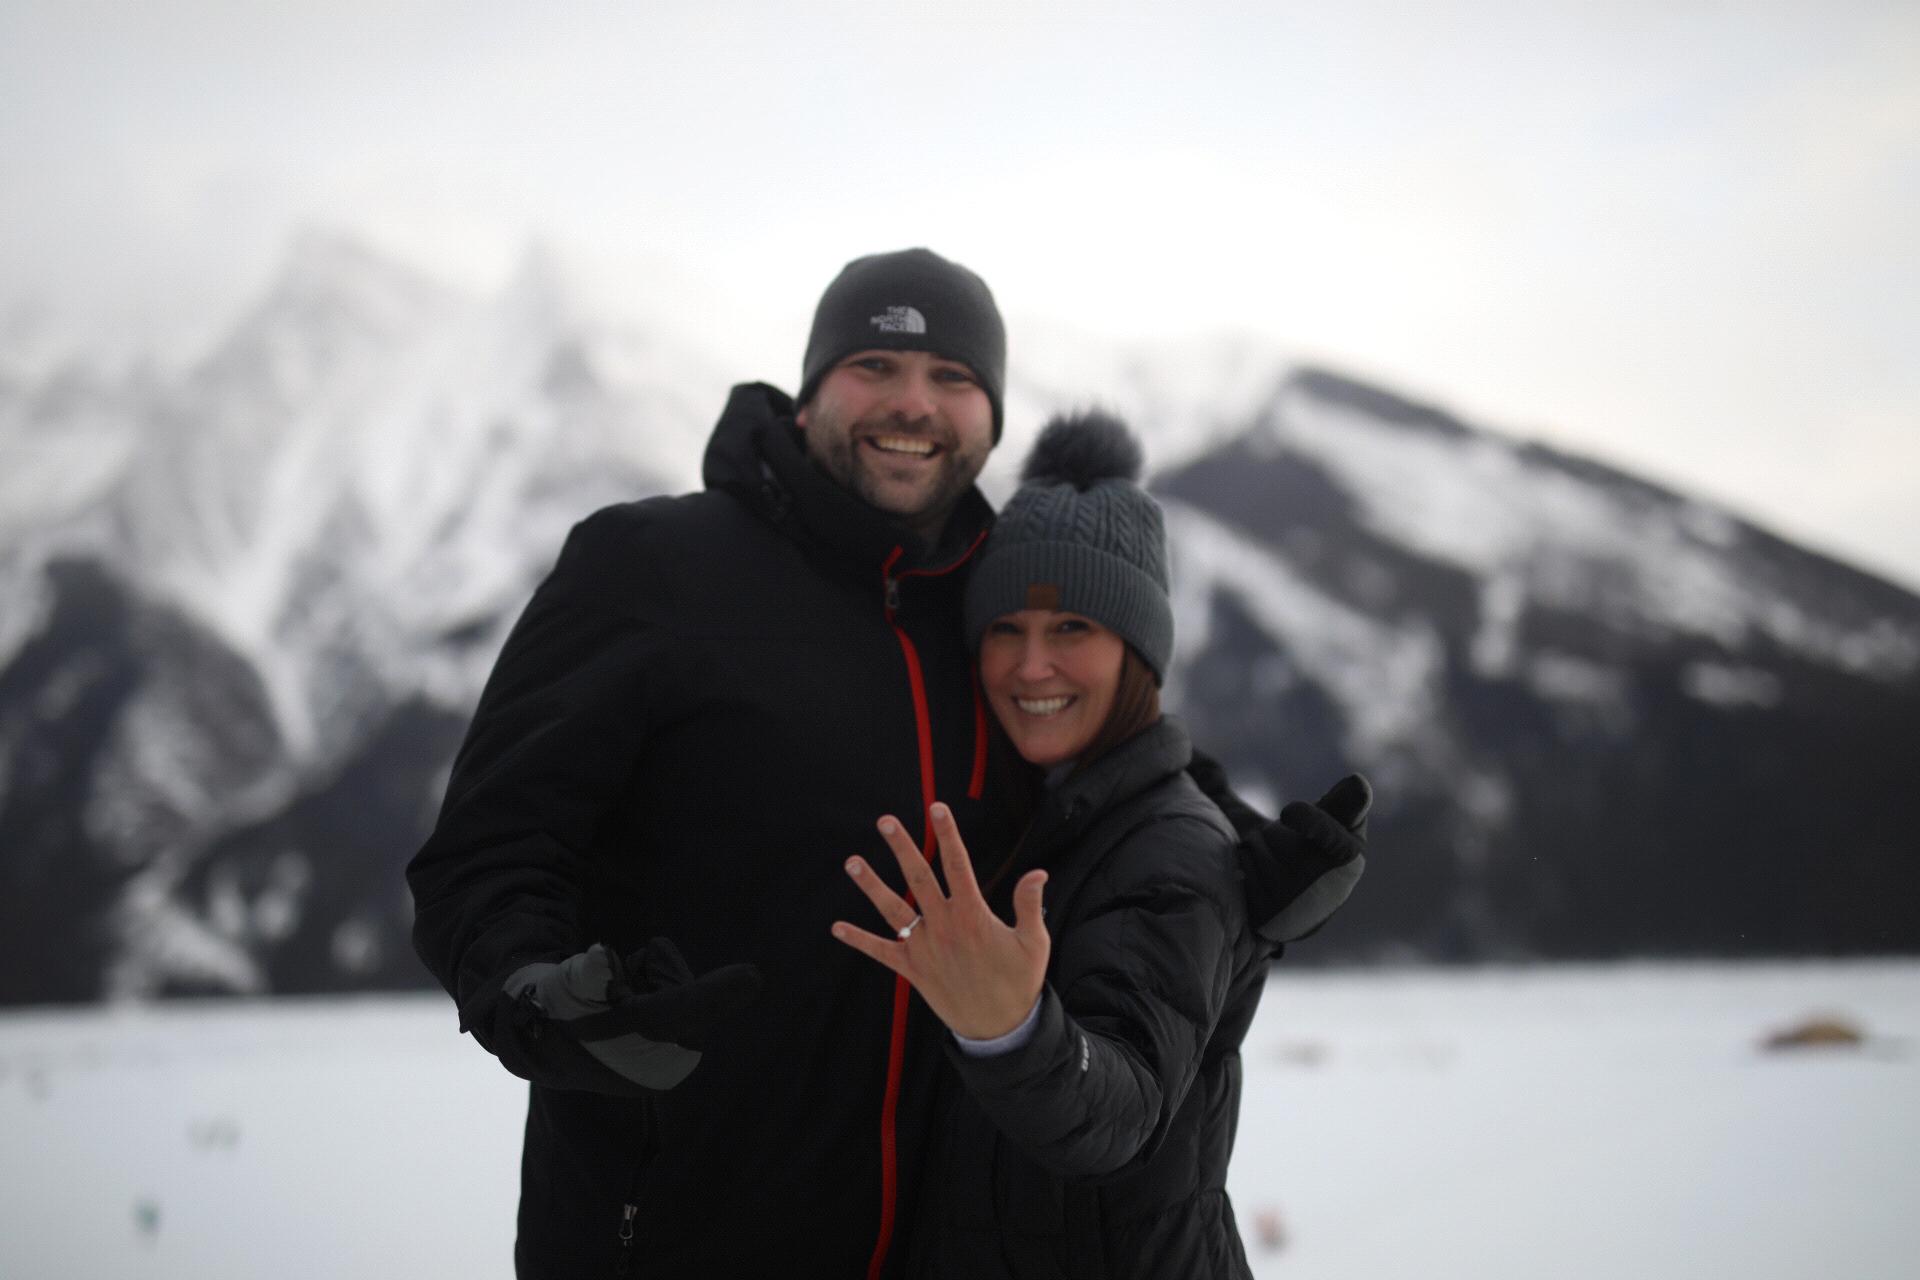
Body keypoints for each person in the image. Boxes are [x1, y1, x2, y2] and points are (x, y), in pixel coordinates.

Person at [407, 248, 1368, 1278]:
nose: (914, 403)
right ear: (811, 390)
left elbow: (1094, 729)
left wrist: (1239, 852)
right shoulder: (650, 568)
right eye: (875, 365)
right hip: (668, 1234)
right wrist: (540, 997)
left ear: (991, 416)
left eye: (952, 377)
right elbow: (490, 849)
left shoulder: (987, 598)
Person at [832, 411, 1272, 1276]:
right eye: (1006, 629)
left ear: (1138, 652)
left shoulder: (1173, 850)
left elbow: (1122, 1109)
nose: (1031, 667)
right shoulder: (1039, 817)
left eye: (1073, 628)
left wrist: (1013, 1029)